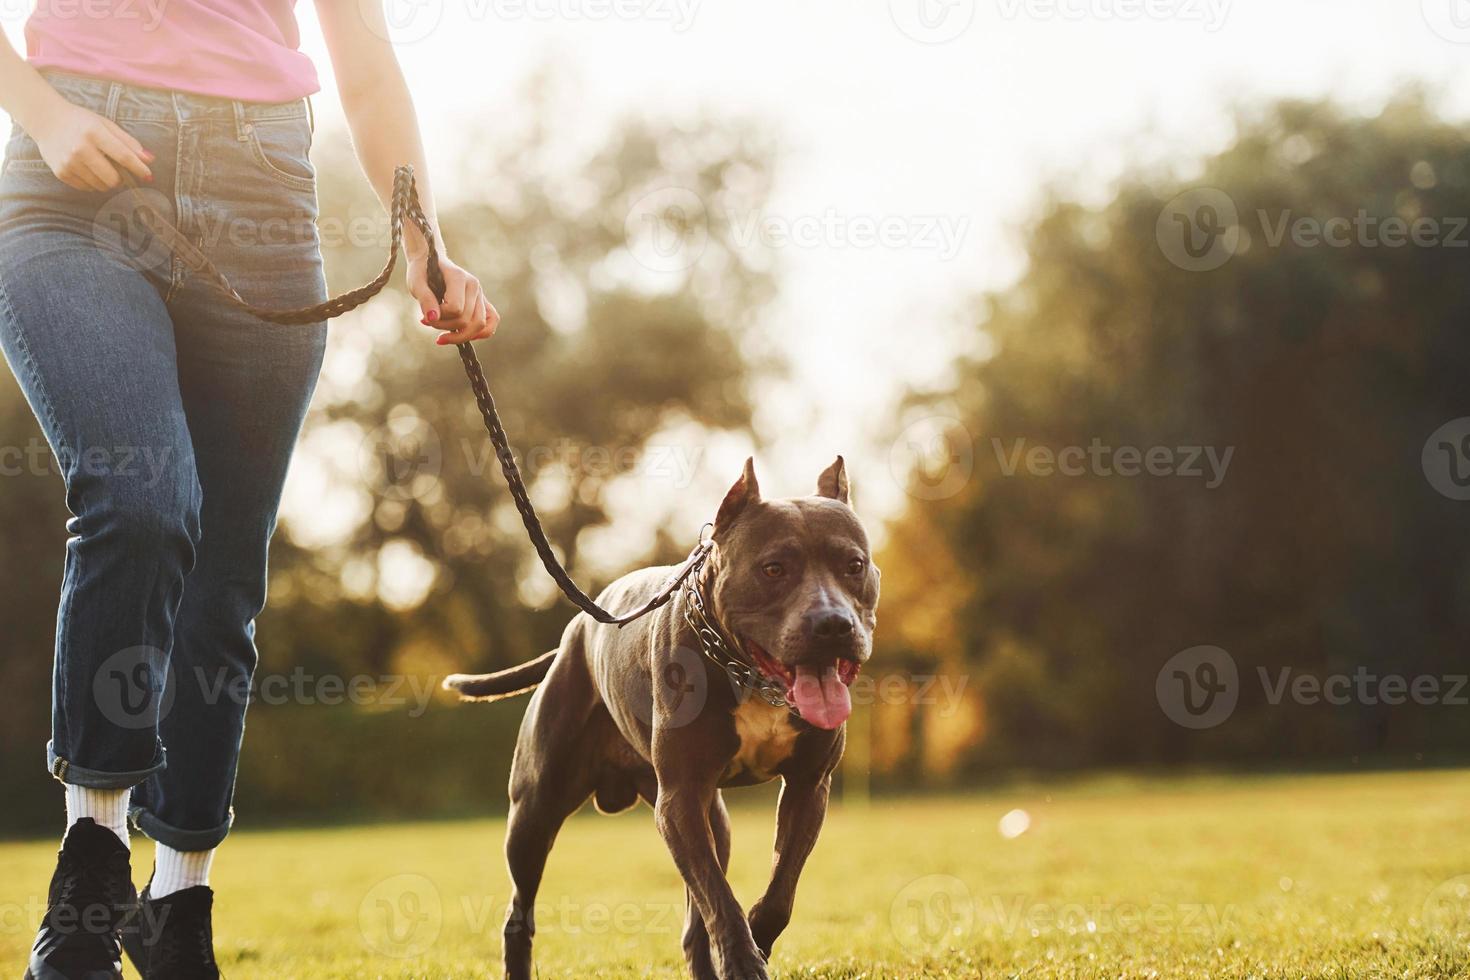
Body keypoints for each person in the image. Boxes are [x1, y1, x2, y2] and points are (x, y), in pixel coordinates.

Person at [0, 0, 498, 974]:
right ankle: (93, 862)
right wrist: (45, 112)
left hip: (262, 187)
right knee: (142, 504)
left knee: (224, 580)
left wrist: (419, 236)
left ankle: (178, 900)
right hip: (76, 174)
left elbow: (363, 53)